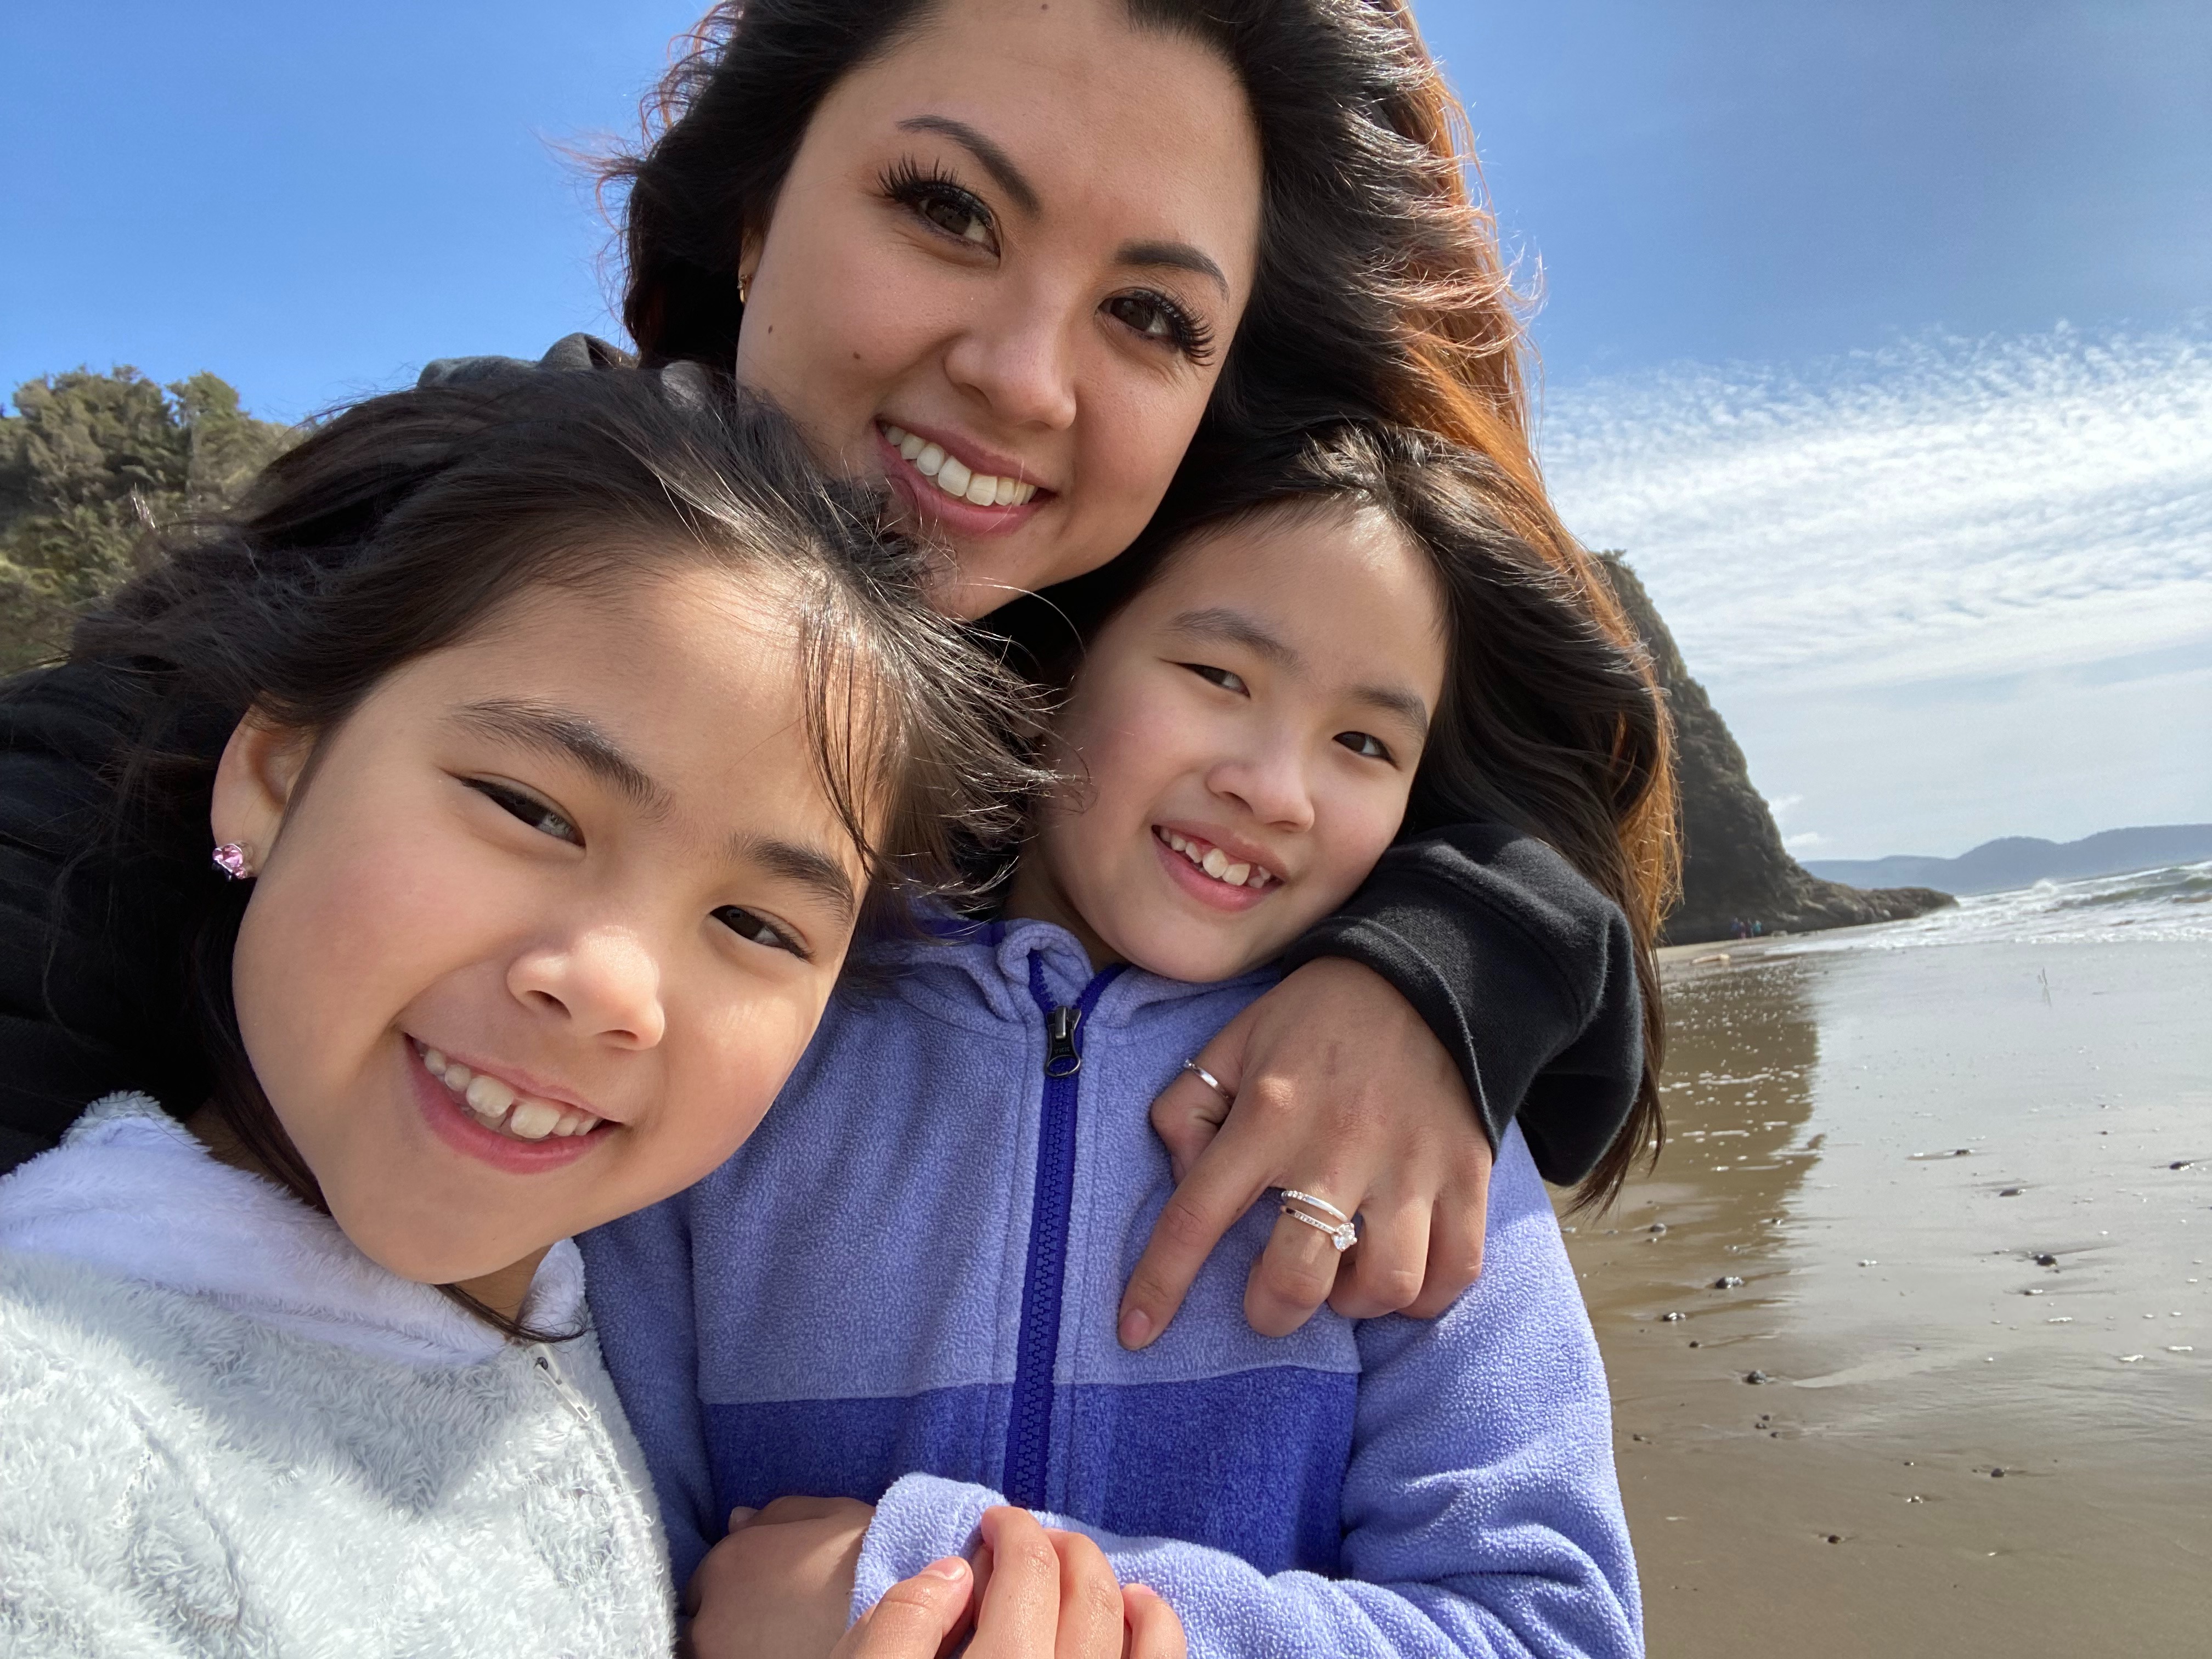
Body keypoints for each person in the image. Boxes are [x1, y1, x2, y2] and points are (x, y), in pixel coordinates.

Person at [0, 0, 1675, 1345]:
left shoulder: (1132, 683)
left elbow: (1547, 891)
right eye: (946, 210)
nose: (1025, 378)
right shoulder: (480, 547)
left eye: (1153, 319)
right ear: (753, 216)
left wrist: (1430, 969)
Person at [0, 369, 1183, 1659]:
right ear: (277, 774)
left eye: (756, 926)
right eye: (530, 809)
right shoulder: (53, 1441)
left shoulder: (582, 1329)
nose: (613, 985)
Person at [589, 422, 1654, 1657]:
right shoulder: (765, 1032)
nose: (1276, 789)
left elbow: (1553, 1628)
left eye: (1365, 743)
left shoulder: (1408, 1129)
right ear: (1062, 658)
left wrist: (931, 1600)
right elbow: (585, 1551)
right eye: (1219, 676)